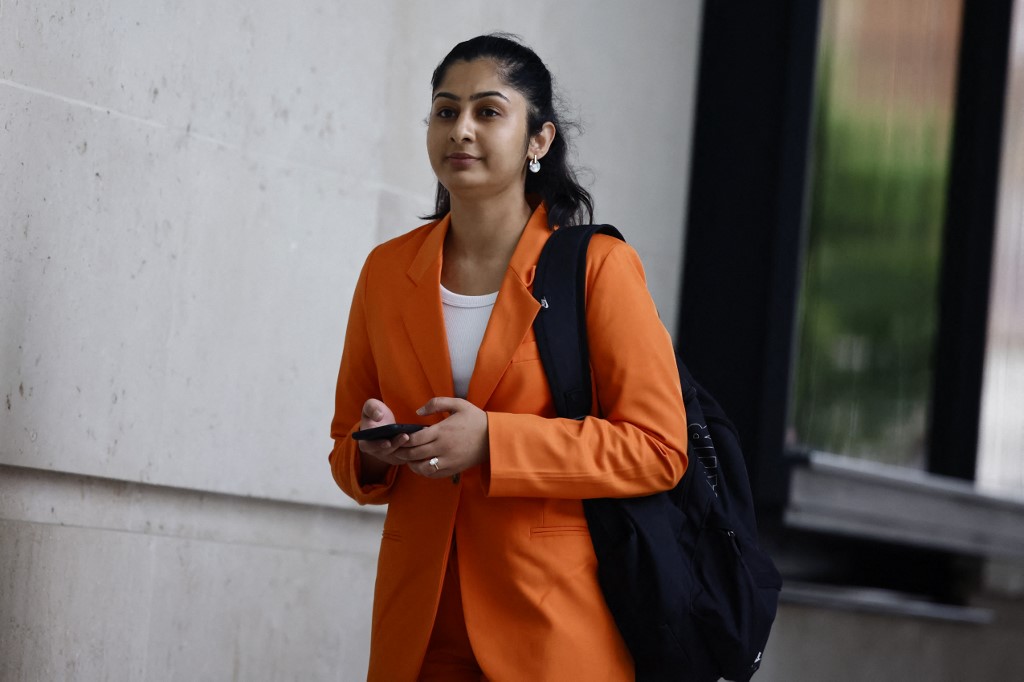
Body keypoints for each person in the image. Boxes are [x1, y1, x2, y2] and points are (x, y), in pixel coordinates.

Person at [328, 34, 688, 681]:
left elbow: (659, 448)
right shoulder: (386, 273)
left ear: (539, 141)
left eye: (488, 112)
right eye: (445, 111)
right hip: (418, 632)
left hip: (549, 632)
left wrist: (494, 441)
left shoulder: (598, 268)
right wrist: (372, 449)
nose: (460, 129)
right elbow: (343, 446)